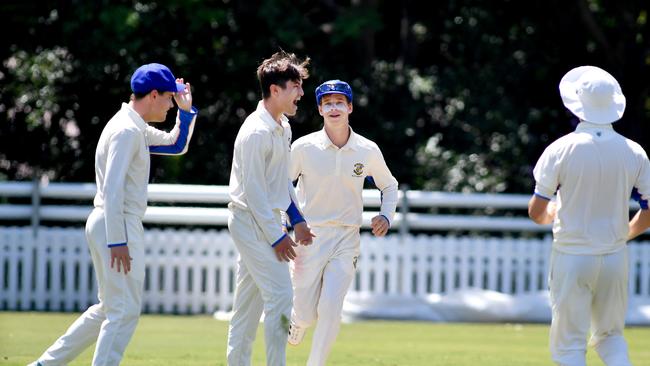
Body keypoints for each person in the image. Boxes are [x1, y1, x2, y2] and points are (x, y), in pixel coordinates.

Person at [30, 63, 198, 366]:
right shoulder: (126, 130)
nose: (171, 104)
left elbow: (176, 145)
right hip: (116, 221)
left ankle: (44, 365)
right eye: (169, 99)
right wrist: (117, 240)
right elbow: (113, 189)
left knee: (109, 309)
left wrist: (186, 111)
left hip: (111, 221)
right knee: (124, 311)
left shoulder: (133, 125)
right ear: (154, 95)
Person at [528, 65, 650, 366]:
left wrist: (550, 217)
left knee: (569, 345)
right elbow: (648, 212)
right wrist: (623, 234)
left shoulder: (561, 149)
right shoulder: (634, 152)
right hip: (614, 257)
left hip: (572, 255)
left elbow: (537, 211)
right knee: (612, 338)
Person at [287, 80, 399, 366]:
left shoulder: (367, 149)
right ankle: (297, 321)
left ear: (350, 107)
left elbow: (389, 185)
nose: (334, 108)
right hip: (308, 237)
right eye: (327, 103)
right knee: (306, 312)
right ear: (320, 109)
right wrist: (284, 224)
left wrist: (386, 215)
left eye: (339, 102)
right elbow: (282, 186)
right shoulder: (304, 147)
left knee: (331, 307)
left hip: (347, 238)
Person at [226, 50, 315, 366]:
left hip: (265, 219)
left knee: (246, 311)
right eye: (295, 87)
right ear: (275, 90)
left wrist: (297, 218)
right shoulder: (255, 131)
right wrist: (277, 236)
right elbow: (253, 193)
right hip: (250, 220)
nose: (301, 94)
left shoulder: (282, 126)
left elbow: (280, 183)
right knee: (280, 297)